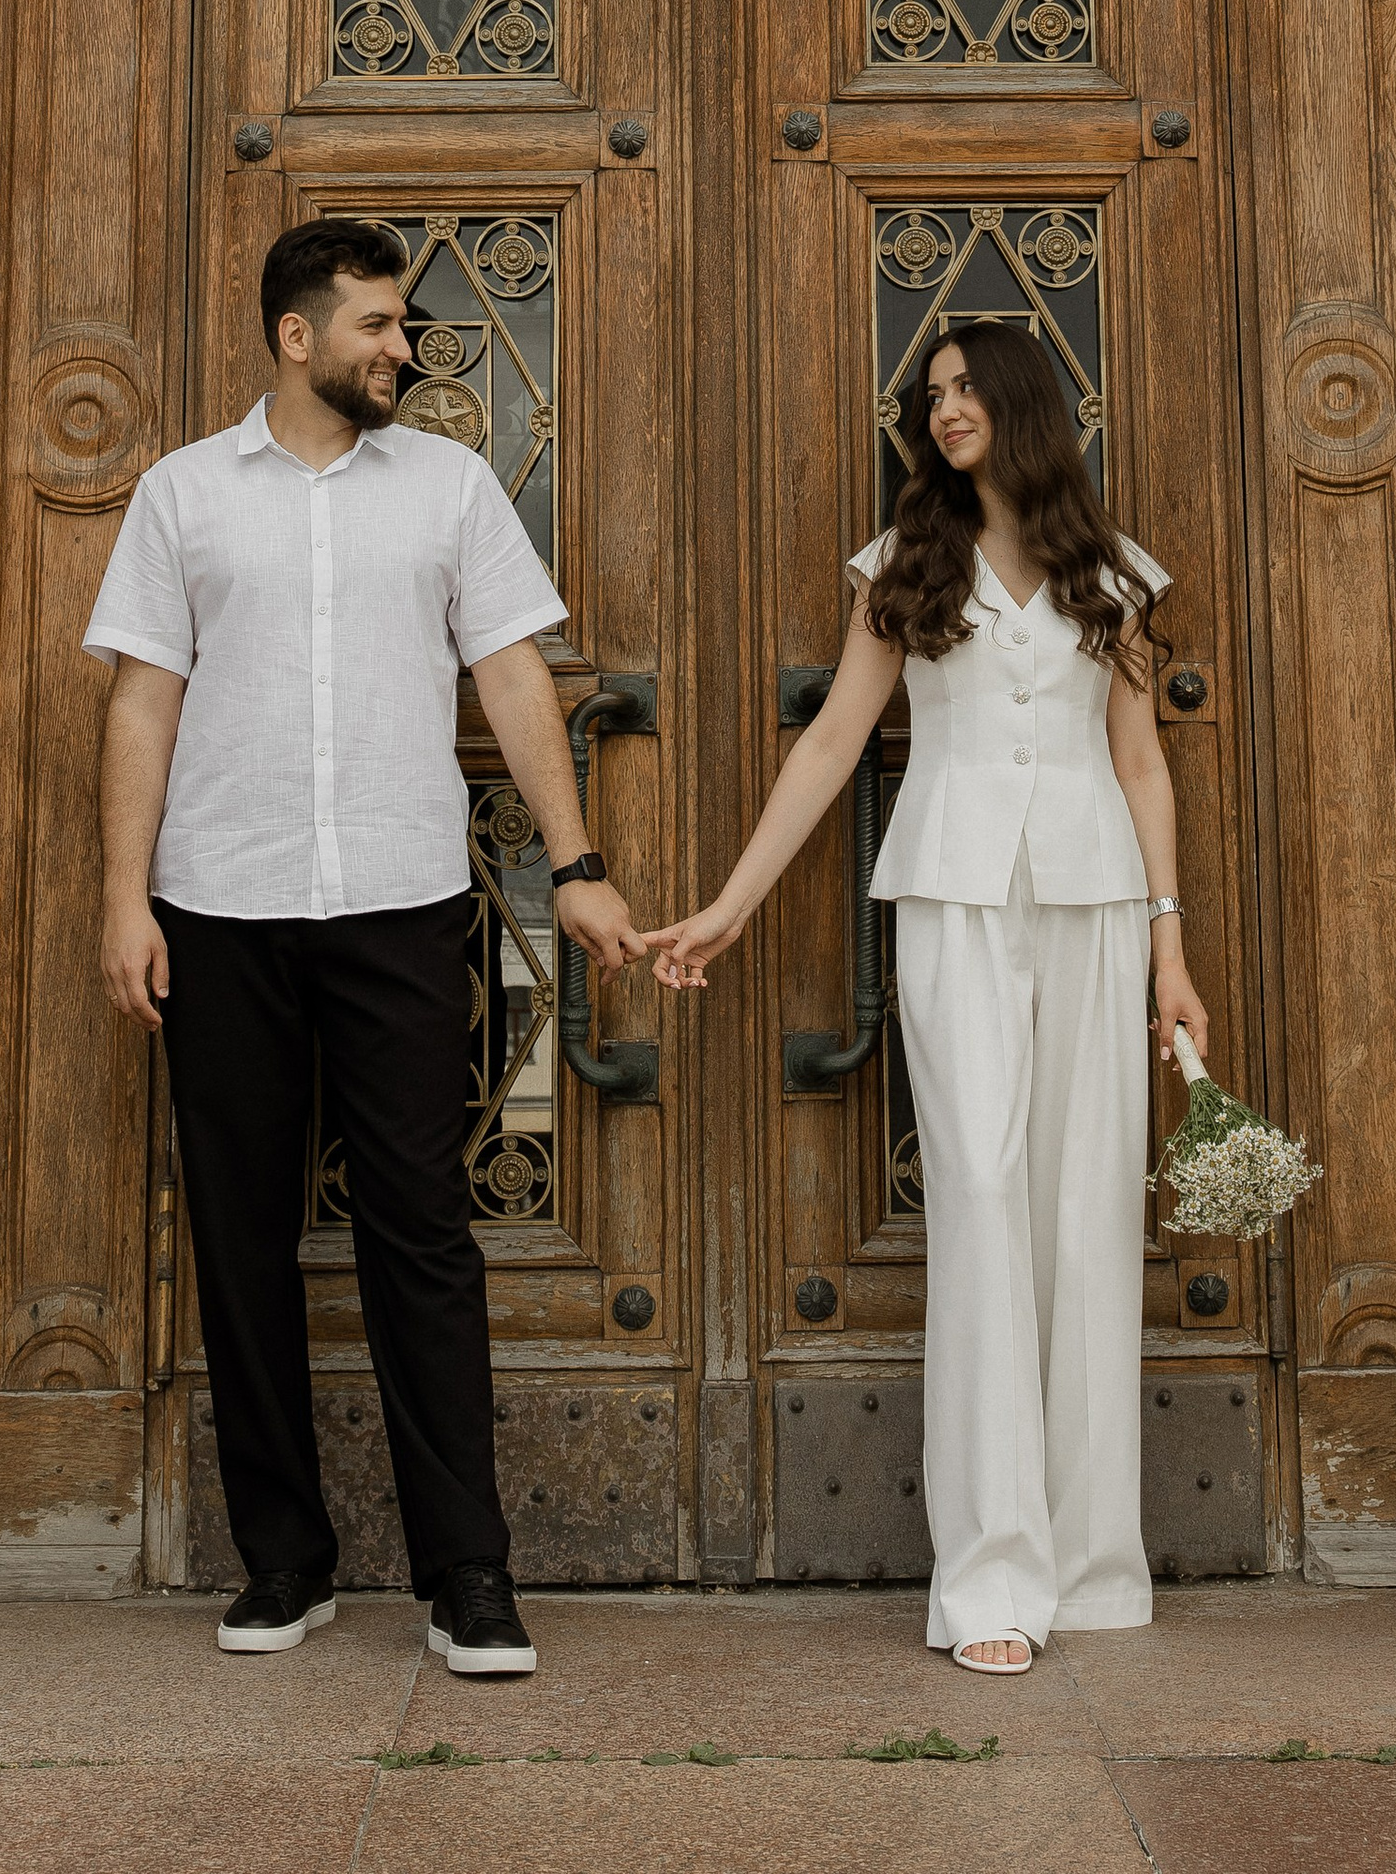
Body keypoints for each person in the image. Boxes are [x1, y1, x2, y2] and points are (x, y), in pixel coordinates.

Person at [86, 215, 649, 1676]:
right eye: (379, 327)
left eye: (404, 327)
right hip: (221, 907)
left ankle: (470, 1574)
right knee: (243, 1239)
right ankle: (285, 1563)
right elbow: (141, 702)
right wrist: (121, 899)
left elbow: (513, 673)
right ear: (297, 336)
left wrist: (576, 865)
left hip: (404, 904)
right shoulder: (181, 495)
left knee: (423, 1235)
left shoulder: (451, 487)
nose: (405, 347)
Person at [646, 319, 1209, 1673]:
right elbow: (837, 742)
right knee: (980, 1202)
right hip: (952, 902)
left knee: (1086, 1212)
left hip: (1095, 903)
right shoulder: (903, 569)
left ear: (1022, 402)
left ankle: (1087, 1563)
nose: (946, 410)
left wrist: (1172, 951)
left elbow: (1141, 765)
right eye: (932, 395)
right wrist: (729, 904)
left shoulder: (1110, 575)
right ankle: (992, 1581)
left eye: (966, 389)